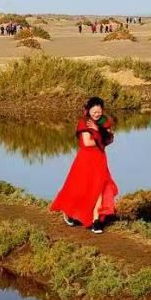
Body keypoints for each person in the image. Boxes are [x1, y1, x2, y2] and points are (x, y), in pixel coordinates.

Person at [50, 97, 119, 233]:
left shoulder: (104, 121)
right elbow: (87, 142)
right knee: (80, 187)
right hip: (85, 159)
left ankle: (96, 220)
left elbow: (110, 138)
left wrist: (99, 131)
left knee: (100, 187)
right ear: (88, 111)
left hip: (99, 158)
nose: (97, 114)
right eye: (94, 111)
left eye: (99, 111)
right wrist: (102, 136)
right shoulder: (83, 123)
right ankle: (69, 211)